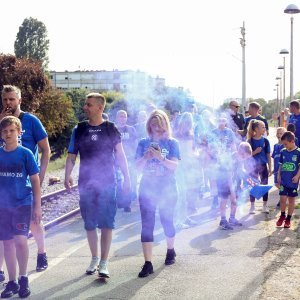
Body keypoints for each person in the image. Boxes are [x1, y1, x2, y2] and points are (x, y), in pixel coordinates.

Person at [64, 93, 130, 279]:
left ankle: (104, 262)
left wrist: (127, 178)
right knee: (89, 223)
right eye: (85, 104)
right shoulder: (80, 129)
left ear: (100, 108)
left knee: (107, 223)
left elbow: (120, 155)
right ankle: (94, 258)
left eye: (88, 104)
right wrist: (67, 174)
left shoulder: (111, 129)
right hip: (86, 183)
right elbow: (71, 155)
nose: (85, 107)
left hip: (108, 182)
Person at [0, 85, 50, 279]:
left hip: (28, 179)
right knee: (5, 235)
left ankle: (41, 253)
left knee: (34, 221)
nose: (8, 103)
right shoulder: (3, 124)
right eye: (5, 99)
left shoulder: (31, 120)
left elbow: (46, 149)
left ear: (19, 100)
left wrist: (41, 174)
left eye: (12, 99)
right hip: (6, 184)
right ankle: (3, 269)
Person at [0, 116, 42, 298]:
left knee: (20, 241)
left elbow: (35, 180)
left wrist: (37, 207)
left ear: (19, 133)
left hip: (22, 204)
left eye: (12, 131)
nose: (8, 134)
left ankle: (23, 278)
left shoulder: (26, 153)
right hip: (3, 206)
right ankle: (12, 281)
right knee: (7, 243)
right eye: (5, 131)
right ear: (1, 134)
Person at [135, 109, 180, 278]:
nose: (156, 129)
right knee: (147, 224)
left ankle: (170, 250)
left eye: (159, 126)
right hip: (147, 187)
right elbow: (137, 168)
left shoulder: (172, 143)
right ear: (149, 126)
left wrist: (161, 158)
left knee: (166, 221)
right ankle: (148, 263)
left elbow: (175, 166)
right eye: (153, 125)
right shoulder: (142, 143)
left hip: (167, 187)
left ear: (165, 126)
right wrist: (146, 158)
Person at [216, 142, 252, 230]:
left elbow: (241, 170)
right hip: (223, 180)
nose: (244, 159)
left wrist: (249, 179)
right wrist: (232, 192)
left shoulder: (240, 159)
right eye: (244, 157)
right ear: (240, 152)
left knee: (235, 200)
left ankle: (232, 218)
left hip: (233, 180)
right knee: (224, 200)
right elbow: (229, 177)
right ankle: (223, 221)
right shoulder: (230, 159)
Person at [174, 112, 198, 228]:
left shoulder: (191, 134)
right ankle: (178, 221)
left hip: (188, 166)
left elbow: (192, 151)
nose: (188, 125)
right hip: (179, 166)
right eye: (187, 122)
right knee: (181, 193)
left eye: (190, 122)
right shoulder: (176, 134)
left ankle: (184, 217)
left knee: (187, 192)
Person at [246, 119, 272, 214]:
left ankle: (265, 206)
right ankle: (252, 206)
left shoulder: (265, 141)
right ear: (256, 129)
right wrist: (255, 152)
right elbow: (246, 156)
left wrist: (270, 167)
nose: (265, 129)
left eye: (265, 127)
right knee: (252, 185)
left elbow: (268, 155)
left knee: (264, 185)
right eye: (263, 127)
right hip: (252, 166)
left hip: (263, 166)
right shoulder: (249, 141)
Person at [276, 131, 300, 228]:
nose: (284, 146)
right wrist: (278, 175)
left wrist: (297, 176)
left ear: (292, 141)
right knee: (282, 198)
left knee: (291, 200)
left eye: (285, 144)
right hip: (284, 180)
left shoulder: (298, 152)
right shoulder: (283, 151)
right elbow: (281, 164)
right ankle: (282, 215)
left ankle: (288, 219)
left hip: (293, 181)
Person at [115, 110, 137, 212]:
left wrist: (136, 156)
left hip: (129, 159)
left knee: (128, 180)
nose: (122, 118)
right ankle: (120, 202)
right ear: (117, 118)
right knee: (118, 181)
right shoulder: (113, 129)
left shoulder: (131, 129)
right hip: (116, 160)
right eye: (120, 116)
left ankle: (127, 204)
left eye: (124, 116)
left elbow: (135, 144)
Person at [271, 127, 287, 209]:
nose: (279, 135)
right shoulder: (275, 146)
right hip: (276, 169)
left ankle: (282, 201)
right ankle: (285, 195)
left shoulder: (285, 146)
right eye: (278, 133)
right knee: (276, 184)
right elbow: (274, 158)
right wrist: (273, 170)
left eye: (281, 133)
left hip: (282, 169)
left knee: (281, 184)